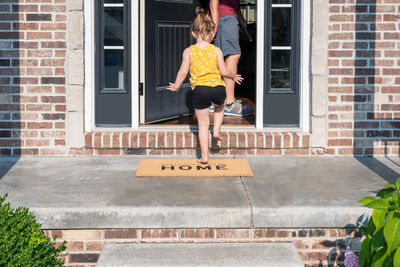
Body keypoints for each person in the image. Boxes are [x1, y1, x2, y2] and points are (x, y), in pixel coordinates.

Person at [167, 8, 243, 164]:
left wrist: (176, 86)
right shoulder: (217, 50)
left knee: (202, 124)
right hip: (218, 88)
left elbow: (182, 71)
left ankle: (205, 156)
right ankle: (216, 130)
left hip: (200, 90)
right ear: (213, 34)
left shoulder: (189, 51)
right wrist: (233, 76)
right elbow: (223, 70)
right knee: (219, 109)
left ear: (193, 33)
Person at [209, 0, 254, 116]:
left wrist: (240, 18)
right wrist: (215, 22)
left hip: (229, 17)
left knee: (224, 56)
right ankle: (228, 103)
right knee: (232, 56)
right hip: (224, 17)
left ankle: (220, 100)